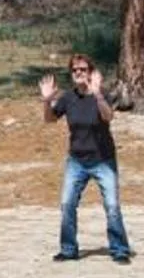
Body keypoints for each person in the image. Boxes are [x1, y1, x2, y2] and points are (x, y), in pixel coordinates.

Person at [39, 54, 134, 263]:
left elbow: (108, 116)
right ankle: (68, 249)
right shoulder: (68, 98)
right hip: (77, 161)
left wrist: (97, 94)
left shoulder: (101, 95)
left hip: (103, 160)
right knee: (67, 204)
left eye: (83, 69)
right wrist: (47, 101)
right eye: (74, 70)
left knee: (112, 206)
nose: (78, 73)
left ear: (91, 72)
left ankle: (119, 250)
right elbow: (50, 119)